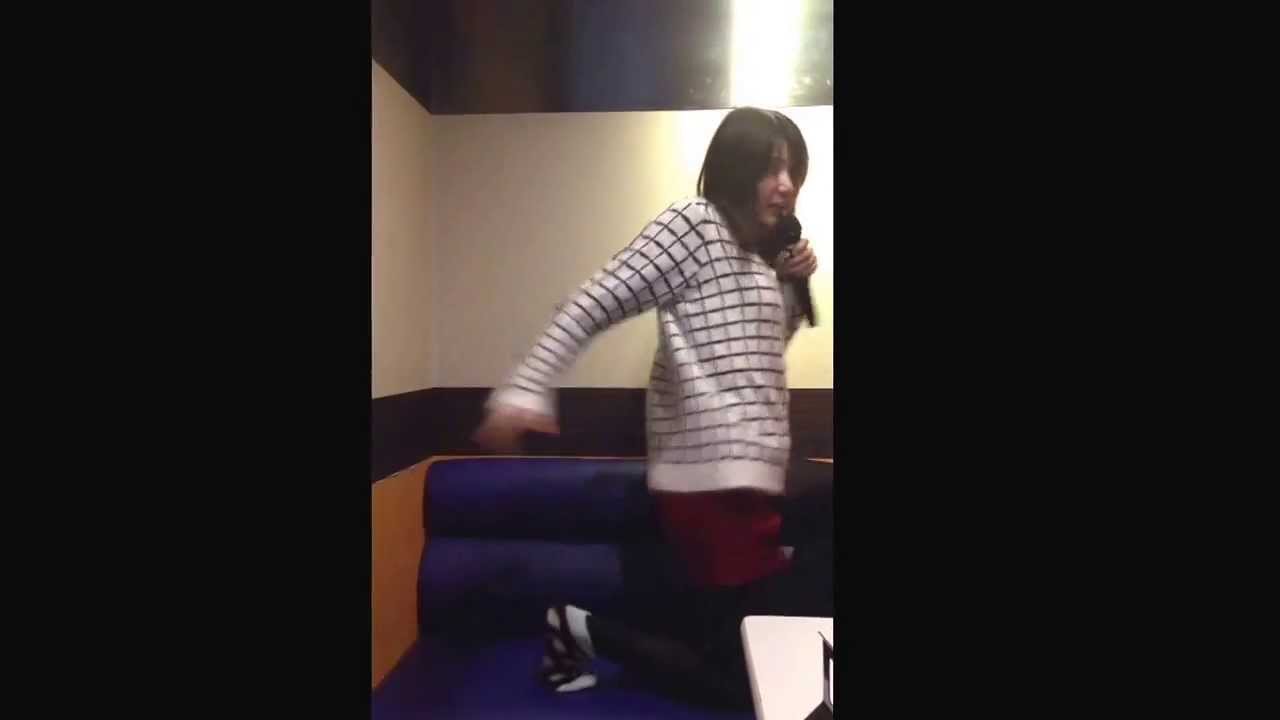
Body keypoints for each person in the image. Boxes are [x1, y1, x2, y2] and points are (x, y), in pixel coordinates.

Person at [473, 106, 830, 709]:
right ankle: (579, 629)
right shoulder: (694, 224)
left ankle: (597, 628)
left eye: (794, 170)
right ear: (735, 168)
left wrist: (788, 288)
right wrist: (525, 387)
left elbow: (757, 354)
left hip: (756, 476)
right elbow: (595, 299)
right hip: (708, 480)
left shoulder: (759, 256)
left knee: (747, 642)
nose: (787, 185)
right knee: (743, 678)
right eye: (772, 168)